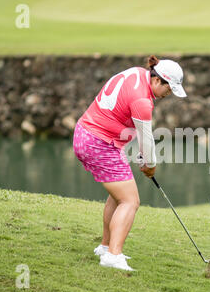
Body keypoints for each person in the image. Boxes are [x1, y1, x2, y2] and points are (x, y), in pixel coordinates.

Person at [73, 55, 187, 271]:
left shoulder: (136, 72)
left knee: (119, 196)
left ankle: (106, 247)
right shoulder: (143, 101)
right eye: (168, 89)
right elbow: (146, 138)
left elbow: (122, 117)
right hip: (99, 143)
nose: (168, 94)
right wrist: (150, 164)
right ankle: (113, 256)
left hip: (85, 134)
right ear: (157, 80)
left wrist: (142, 156)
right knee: (130, 201)